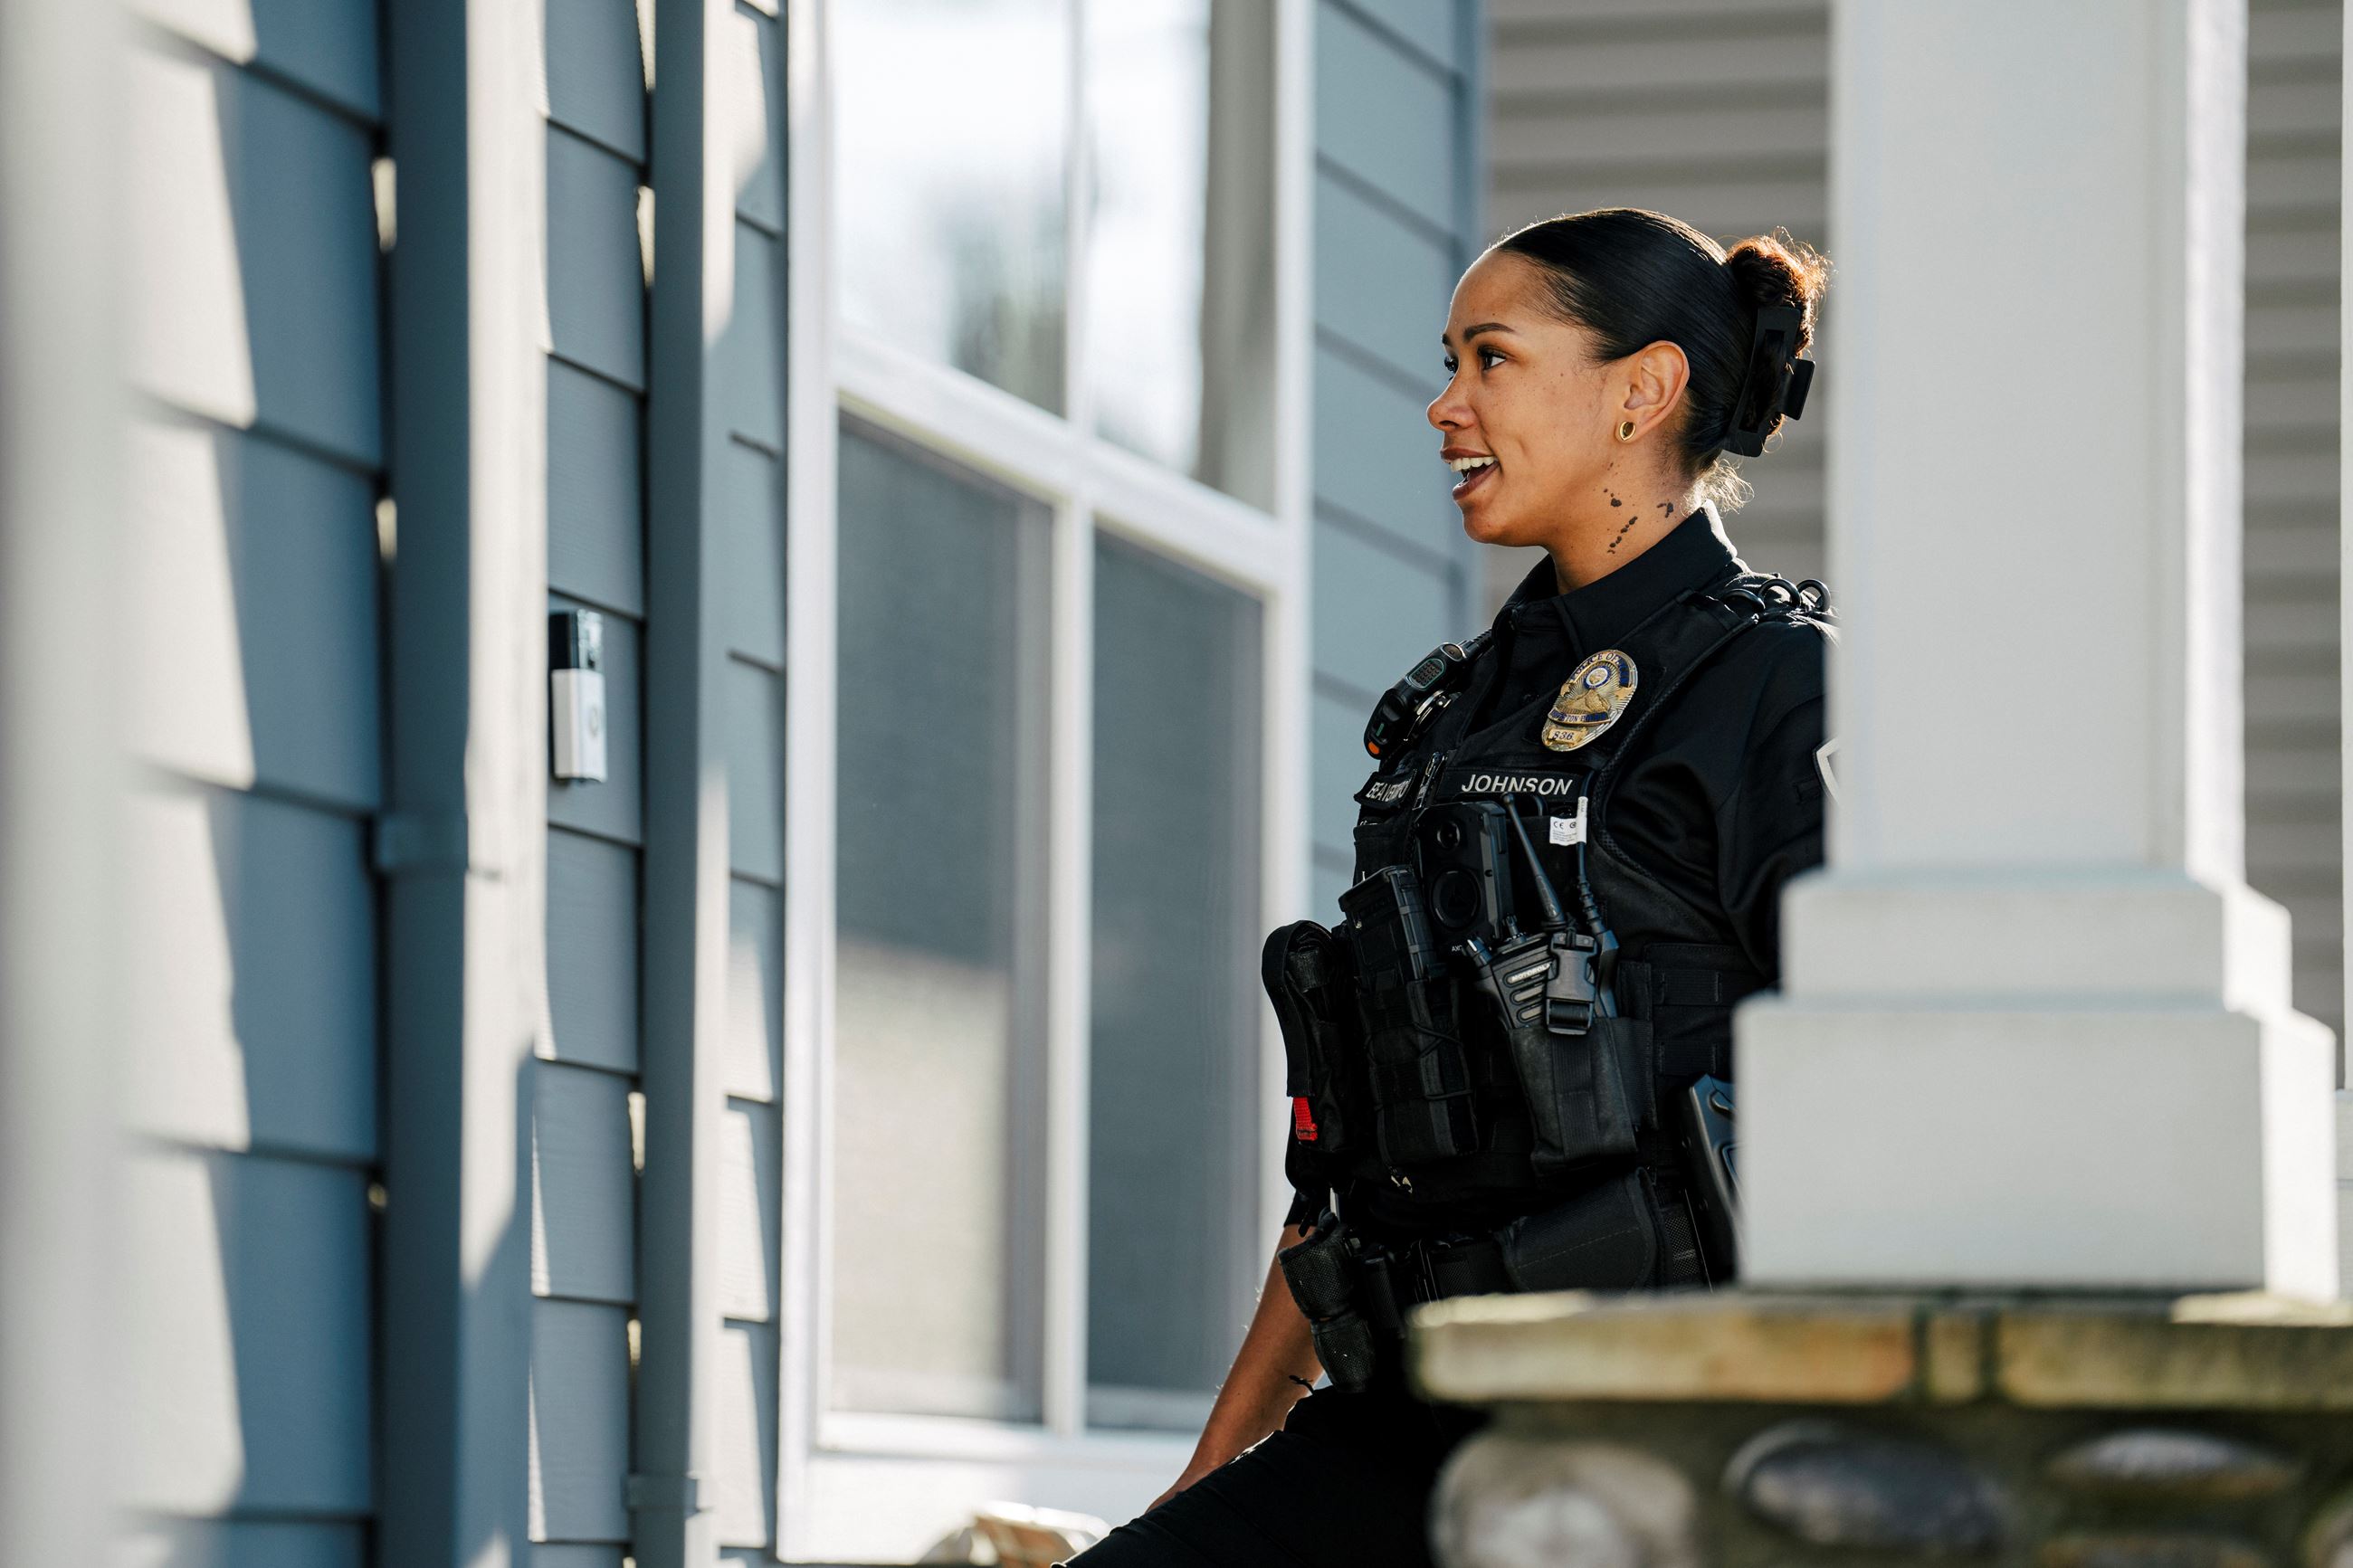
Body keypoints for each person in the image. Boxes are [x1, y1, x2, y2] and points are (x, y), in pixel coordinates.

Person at [1066, 207, 1834, 1568]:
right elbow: (1355, 1172)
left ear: (1641, 391)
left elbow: (1881, 1089)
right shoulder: (1454, 719)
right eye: (1451, 361)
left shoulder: (1776, 689)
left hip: (1677, 1455)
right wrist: (1202, 1484)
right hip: (1409, 1426)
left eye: (1492, 359)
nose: (1445, 403)